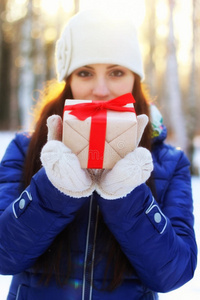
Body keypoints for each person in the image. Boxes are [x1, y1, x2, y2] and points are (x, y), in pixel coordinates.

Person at [0, 9, 197, 300]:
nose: (101, 90)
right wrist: (53, 190)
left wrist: (128, 197)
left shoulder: (168, 162)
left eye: (116, 72)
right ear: (69, 80)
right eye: (85, 73)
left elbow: (173, 273)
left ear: (134, 79)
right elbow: (5, 256)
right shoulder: (27, 149)